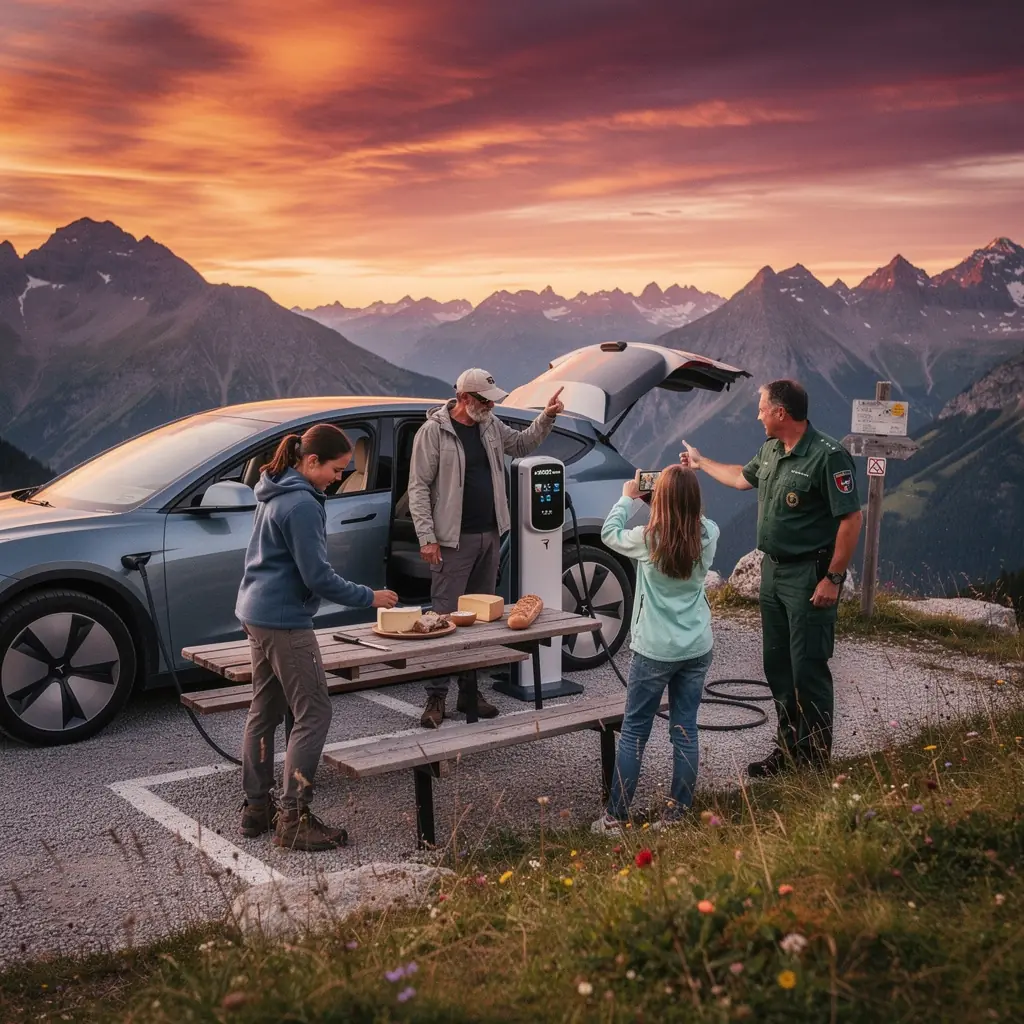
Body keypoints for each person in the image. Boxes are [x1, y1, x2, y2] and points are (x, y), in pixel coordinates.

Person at [679, 379, 863, 775]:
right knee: (778, 667)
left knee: (808, 669)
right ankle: (787, 750)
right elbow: (741, 478)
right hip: (773, 572)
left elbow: (851, 518)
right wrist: (700, 461)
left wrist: (833, 578)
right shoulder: (771, 450)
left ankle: (814, 764)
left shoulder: (828, 456)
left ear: (781, 412)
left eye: (762, 407)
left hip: (808, 574)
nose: (757, 413)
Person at [235, 423, 399, 851]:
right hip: (286, 622)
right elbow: (318, 577)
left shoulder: (274, 490)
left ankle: (258, 807)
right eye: (337, 470)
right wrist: (371, 596)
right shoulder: (302, 504)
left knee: (265, 711)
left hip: (257, 613)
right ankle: (293, 816)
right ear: (310, 462)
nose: (339, 478)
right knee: (314, 713)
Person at [408, 368, 565, 728]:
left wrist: (547, 417)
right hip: (451, 541)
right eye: (484, 400)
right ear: (464, 398)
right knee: (443, 618)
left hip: (489, 535)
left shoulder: (490, 426)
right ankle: (436, 696)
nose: (491, 406)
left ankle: (469, 692)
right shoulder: (433, 432)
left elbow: (523, 444)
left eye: (492, 400)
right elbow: (418, 488)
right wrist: (427, 537)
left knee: (480, 619)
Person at [591, 465, 719, 835]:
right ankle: (677, 815)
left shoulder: (648, 539)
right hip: (696, 646)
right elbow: (691, 519)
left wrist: (629, 497)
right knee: (685, 730)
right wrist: (676, 491)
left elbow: (608, 533)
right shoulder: (709, 533)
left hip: (654, 651)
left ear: (661, 501)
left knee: (634, 732)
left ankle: (615, 817)